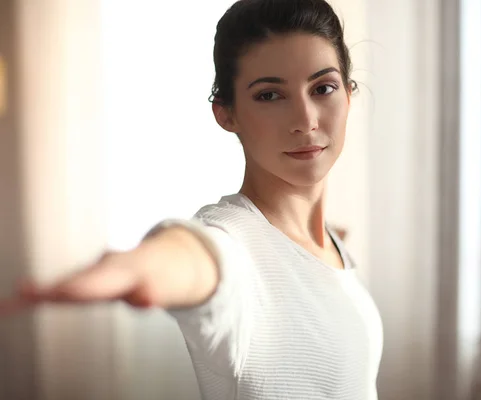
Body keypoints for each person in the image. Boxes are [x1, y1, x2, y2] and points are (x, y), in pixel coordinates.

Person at [1, 0, 383, 398]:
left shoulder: (325, 244)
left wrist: (314, 245)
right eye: (270, 95)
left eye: (323, 88)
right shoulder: (230, 245)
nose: (306, 120)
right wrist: (135, 267)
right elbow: (196, 257)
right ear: (226, 114)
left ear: (349, 94)